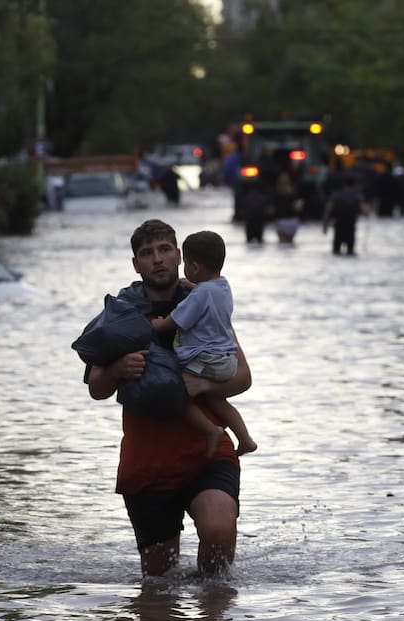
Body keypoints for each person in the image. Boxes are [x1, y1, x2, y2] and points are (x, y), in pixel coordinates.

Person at [85, 218, 251, 577]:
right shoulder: (121, 312)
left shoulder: (204, 297)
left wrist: (204, 387)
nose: (157, 259)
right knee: (159, 585)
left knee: (219, 533)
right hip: (148, 461)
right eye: (147, 253)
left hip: (207, 450)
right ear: (136, 264)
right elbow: (97, 388)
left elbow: (242, 377)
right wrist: (117, 370)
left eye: (164, 250)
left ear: (180, 256)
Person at [149, 230, 257, 459]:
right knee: (217, 400)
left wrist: (159, 324)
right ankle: (246, 439)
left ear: (195, 267)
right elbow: (207, 295)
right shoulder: (222, 286)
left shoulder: (200, 294)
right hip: (226, 360)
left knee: (176, 391)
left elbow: (179, 318)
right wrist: (192, 285)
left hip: (206, 359)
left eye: (187, 264)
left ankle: (211, 430)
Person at [321, 174, 367, 256]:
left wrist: (325, 225)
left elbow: (328, 210)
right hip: (351, 226)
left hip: (338, 225)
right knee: (350, 252)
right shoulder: (357, 195)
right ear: (354, 184)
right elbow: (365, 211)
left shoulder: (336, 195)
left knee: (336, 252)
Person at [271, 172, 303, 243]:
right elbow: (298, 208)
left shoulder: (276, 195)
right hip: (291, 221)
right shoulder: (293, 194)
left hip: (282, 221)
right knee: (289, 243)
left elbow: (272, 210)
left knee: (283, 243)